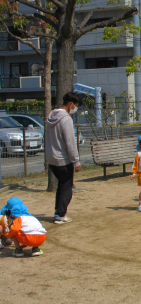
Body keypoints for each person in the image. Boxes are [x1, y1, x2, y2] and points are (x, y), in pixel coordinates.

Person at [45, 91, 83, 224]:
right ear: (70, 104)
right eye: (76, 106)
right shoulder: (66, 119)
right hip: (63, 159)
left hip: (51, 159)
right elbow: (70, 142)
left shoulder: (51, 115)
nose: (75, 109)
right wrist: (76, 161)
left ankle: (58, 211)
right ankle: (61, 215)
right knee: (66, 187)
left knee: (62, 185)